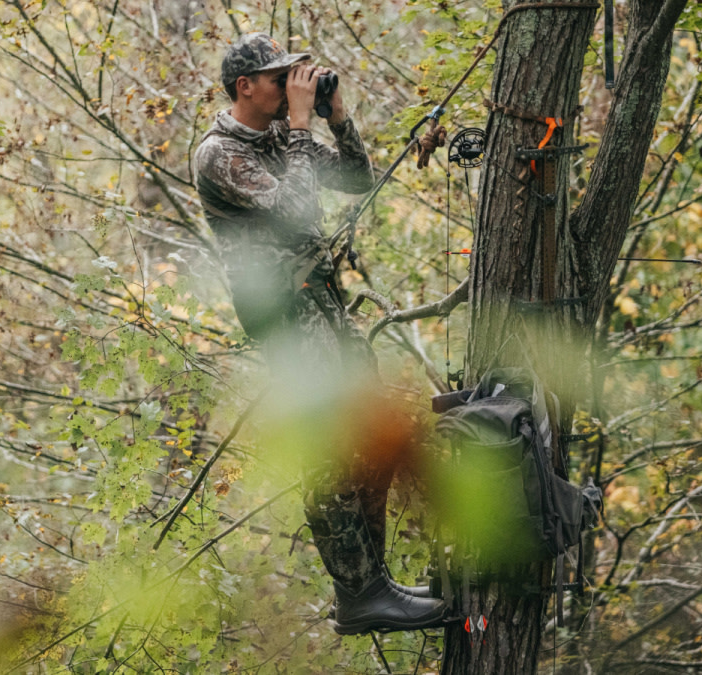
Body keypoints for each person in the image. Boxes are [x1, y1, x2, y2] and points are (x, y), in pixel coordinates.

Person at [193, 32, 447, 634]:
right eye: (281, 79)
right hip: (284, 314)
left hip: (322, 301)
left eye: (294, 77)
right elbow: (298, 212)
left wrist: (338, 120)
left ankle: (373, 579)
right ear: (245, 87)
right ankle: (357, 594)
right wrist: (304, 125)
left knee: (370, 432)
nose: (291, 87)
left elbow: (357, 182)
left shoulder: (287, 131)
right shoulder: (218, 154)